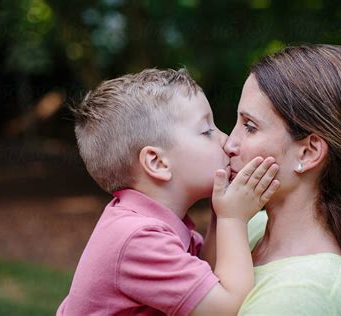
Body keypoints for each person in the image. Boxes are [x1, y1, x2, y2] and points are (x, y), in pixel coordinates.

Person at [211, 44, 341, 315]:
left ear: (308, 152)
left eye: (250, 127)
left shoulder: (303, 293)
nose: (230, 143)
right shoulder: (250, 227)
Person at [56, 68, 280, 316]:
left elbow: (207, 274)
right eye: (207, 132)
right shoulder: (138, 239)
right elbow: (225, 308)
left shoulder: (152, 224)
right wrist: (233, 219)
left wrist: (221, 215)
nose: (226, 141)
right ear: (157, 163)